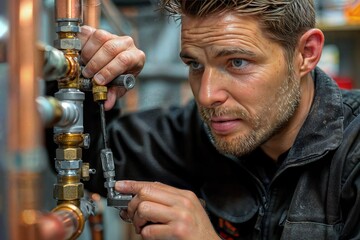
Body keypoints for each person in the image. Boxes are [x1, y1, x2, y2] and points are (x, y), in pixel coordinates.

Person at [48, 0, 360, 239]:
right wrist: (84, 74)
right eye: (195, 65)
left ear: (306, 53)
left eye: (237, 62)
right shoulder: (200, 133)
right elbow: (91, 159)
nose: (207, 95)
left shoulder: (353, 152)